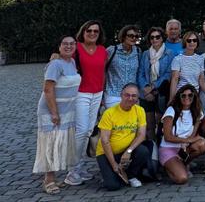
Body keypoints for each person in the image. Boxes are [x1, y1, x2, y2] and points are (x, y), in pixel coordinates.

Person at [33, 36, 80, 194]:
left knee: (59, 145)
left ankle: (54, 177)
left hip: (67, 110)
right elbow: (48, 89)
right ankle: (49, 179)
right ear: (59, 47)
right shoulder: (55, 64)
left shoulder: (72, 63)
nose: (68, 46)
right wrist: (54, 113)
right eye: (65, 44)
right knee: (51, 145)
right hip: (52, 111)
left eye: (72, 44)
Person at [65, 20, 108, 186]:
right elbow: (62, 58)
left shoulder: (102, 50)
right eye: (89, 30)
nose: (92, 33)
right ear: (83, 32)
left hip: (97, 93)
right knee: (81, 131)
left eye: (95, 31)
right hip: (81, 93)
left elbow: (102, 72)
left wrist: (103, 93)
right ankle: (72, 170)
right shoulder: (77, 48)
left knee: (89, 130)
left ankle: (80, 166)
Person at [95, 83, 151, 191]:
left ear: (137, 97)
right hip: (106, 153)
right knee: (113, 186)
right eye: (127, 95)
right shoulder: (109, 113)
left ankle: (130, 175)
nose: (130, 98)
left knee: (143, 151)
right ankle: (114, 172)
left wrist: (128, 151)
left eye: (134, 96)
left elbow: (141, 135)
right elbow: (104, 141)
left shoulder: (139, 110)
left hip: (126, 151)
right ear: (121, 95)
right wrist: (114, 165)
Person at [159, 84, 205, 184]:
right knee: (182, 178)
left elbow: (192, 136)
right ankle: (168, 167)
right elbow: (168, 137)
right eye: (183, 95)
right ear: (179, 96)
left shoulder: (197, 112)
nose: (187, 98)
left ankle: (183, 163)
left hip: (183, 148)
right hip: (168, 148)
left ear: (194, 97)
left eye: (190, 95)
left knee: (203, 144)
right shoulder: (171, 110)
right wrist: (188, 141)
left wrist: (187, 143)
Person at [137, 27, 175, 142]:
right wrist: (146, 88)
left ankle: (161, 148)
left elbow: (168, 74)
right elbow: (141, 73)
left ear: (162, 38)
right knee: (149, 124)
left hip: (161, 92)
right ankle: (152, 148)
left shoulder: (169, 54)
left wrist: (153, 88)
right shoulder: (146, 54)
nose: (155, 39)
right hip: (146, 94)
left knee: (160, 123)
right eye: (152, 37)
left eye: (157, 37)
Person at [169, 32, 205, 100]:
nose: (192, 42)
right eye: (189, 40)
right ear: (185, 42)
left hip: (194, 95)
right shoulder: (177, 59)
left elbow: (201, 80)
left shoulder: (200, 59)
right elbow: (174, 79)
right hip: (181, 94)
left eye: (194, 40)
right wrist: (171, 99)